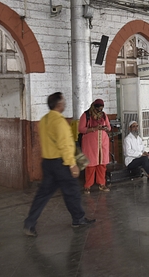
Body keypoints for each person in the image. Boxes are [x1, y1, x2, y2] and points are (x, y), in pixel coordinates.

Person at [23, 92, 95, 237]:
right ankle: (78, 219)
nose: (65, 104)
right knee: (72, 191)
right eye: (63, 101)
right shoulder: (60, 122)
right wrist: (72, 165)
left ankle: (29, 223)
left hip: (48, 163)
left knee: (42, 195)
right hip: (61, 164)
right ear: (59, 104)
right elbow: (65, 144)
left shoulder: (44, 120)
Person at [79, 99, 111, 193]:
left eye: (101, 108)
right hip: (90, 145)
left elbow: (109, 127)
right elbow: (81, 129)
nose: (100, 110)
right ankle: (88, 185)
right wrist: (94, 128)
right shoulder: (86, 115)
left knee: (102, 165)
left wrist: (105, 128)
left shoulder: (104, 115)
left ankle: (102, 184)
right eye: (98, 109)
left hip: (102, 144)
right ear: (94, 106)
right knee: (90, 165)